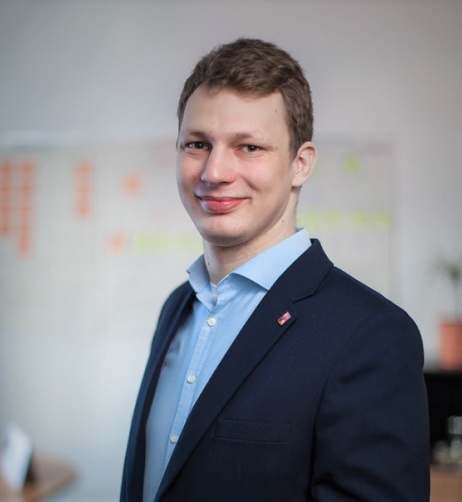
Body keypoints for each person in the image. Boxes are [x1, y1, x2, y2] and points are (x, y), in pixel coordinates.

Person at [121, 38, 430, 501]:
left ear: (300, 164)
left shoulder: (371, 335)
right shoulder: (178, 308)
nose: (214, 172)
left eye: (248, 147)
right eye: (197, 144)